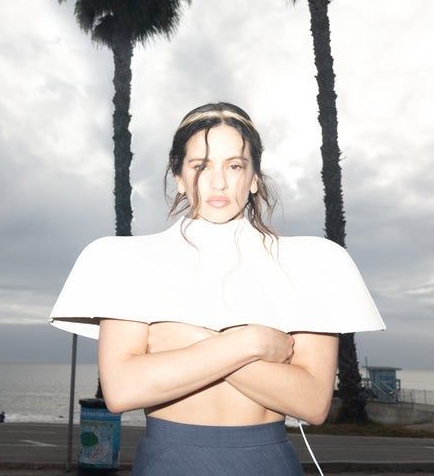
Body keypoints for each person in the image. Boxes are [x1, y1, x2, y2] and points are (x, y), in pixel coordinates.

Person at [49, 102, 385, 475]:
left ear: (254, 177)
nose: (219, 182)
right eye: (201, 166)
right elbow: (122, 390)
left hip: (267, 463)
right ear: (178, 176)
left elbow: (311, 402)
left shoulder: (313, 262)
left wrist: (186, 341)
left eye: (234, 165)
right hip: (167, 463)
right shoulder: (127, 262)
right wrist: (248, 343)